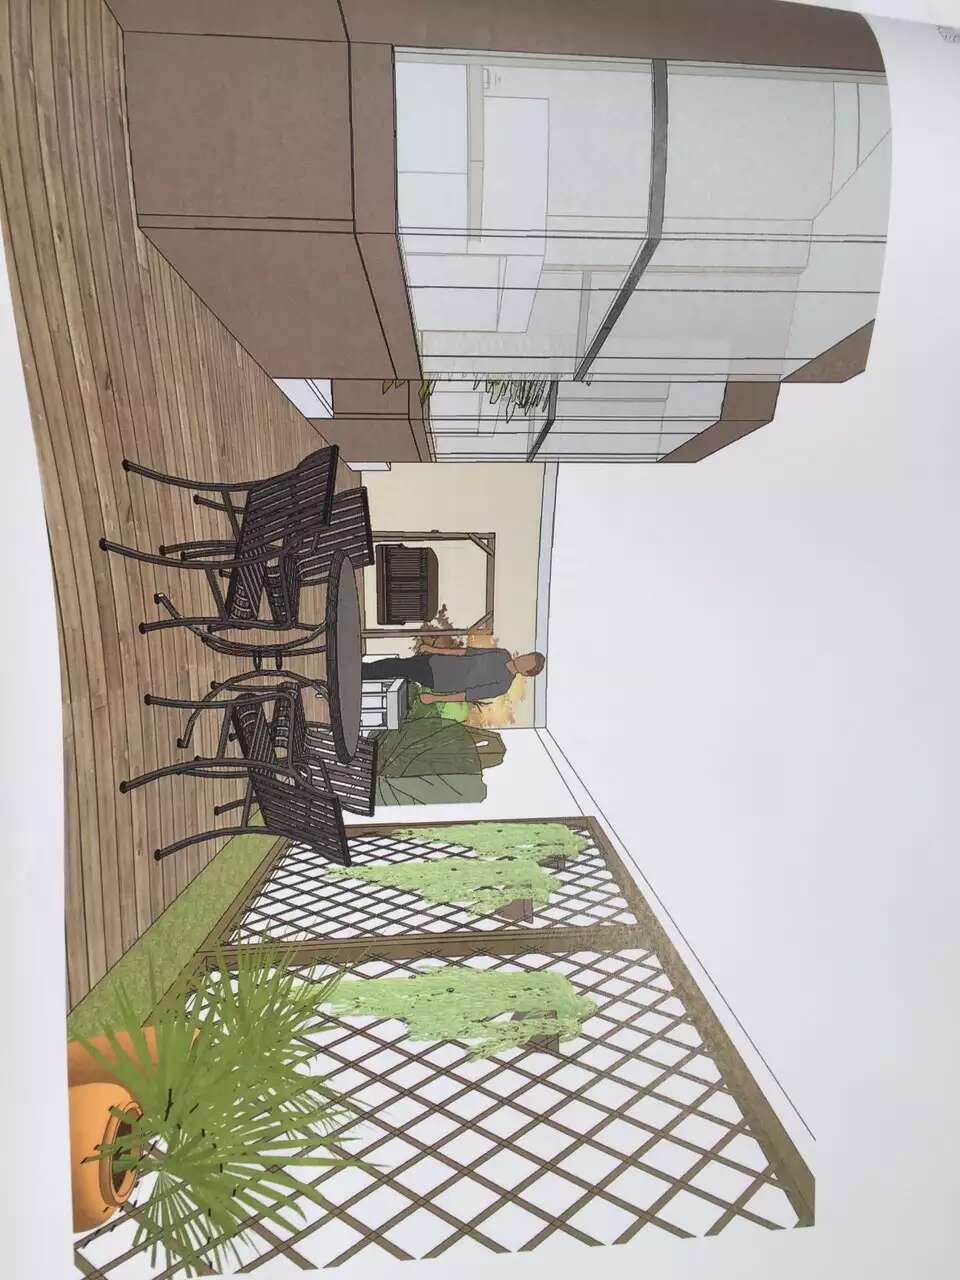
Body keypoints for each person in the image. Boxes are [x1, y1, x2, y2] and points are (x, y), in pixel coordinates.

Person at [362, 639, 545, 706]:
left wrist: (435, 699)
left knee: (398, 668)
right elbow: (466, 652)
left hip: (439, 680)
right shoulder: (502, 653)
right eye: (527, 656)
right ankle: (363, 672)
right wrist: (433, 650)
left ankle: (362, 673)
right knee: (398, 665)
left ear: (526, 673)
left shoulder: (503, 685)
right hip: (436, 661)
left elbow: (467, 695)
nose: (523, 659)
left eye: (527, 663)